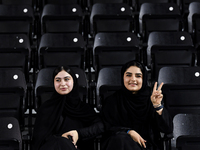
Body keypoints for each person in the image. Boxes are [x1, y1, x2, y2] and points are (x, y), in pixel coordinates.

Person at [100, 60, 173, 150]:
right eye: (128, 75)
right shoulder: (112, 101)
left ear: (144, 79)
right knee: (120, 139)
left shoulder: (152, 98)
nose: (133, 79)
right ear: (122, 77)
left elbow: (167, 129)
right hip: (120, 144)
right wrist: (128, 132)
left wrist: (157, 106)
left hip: (147, 146)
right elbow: (107, 127)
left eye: (138, 76)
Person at [32, 66, 104, 150]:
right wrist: (64, 142)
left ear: (74, 81)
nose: (62, 84)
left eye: (66, 79)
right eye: (58, 80)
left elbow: (100, 126)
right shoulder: (46, 108)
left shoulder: (84, 108)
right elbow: (39, 139)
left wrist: (78, 134)